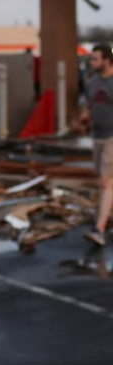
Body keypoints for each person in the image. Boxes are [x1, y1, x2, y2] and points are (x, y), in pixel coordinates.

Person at [81, 44, 113, 246]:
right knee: (104, 181)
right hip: (97, 135)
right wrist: (85, 116)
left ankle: (99, 228)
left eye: (95, 59)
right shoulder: (92, 83)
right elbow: (89, 104)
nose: (92, 62)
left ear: (107, 61)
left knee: (105, 180)